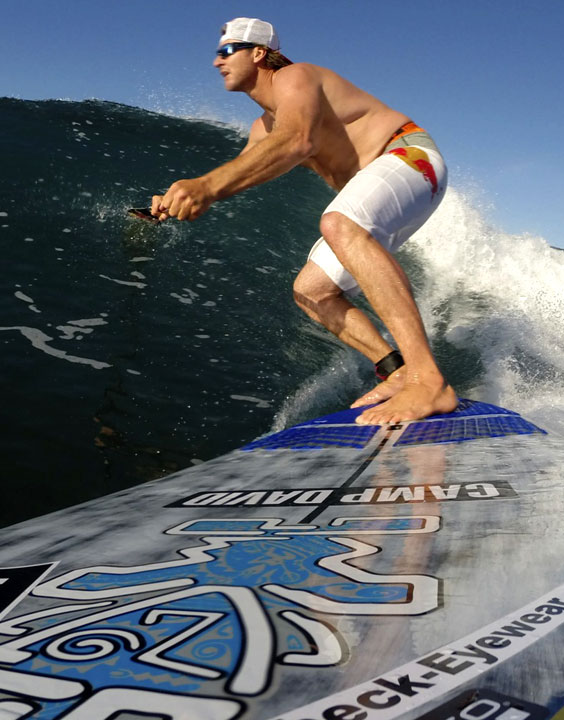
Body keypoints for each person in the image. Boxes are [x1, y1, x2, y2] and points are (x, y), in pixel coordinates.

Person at [148, 17, 457, 425]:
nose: (216, 61)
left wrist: (206, 186)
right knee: (311, 291)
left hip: (408, 157)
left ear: (258, 53)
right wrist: (181, 200)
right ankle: (398, 371)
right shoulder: (263, 126)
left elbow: (298, 141)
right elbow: (241, 171)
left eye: (227, 51)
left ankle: (428, 380)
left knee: (339, 223)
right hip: (378, 185)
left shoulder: (295, 76)